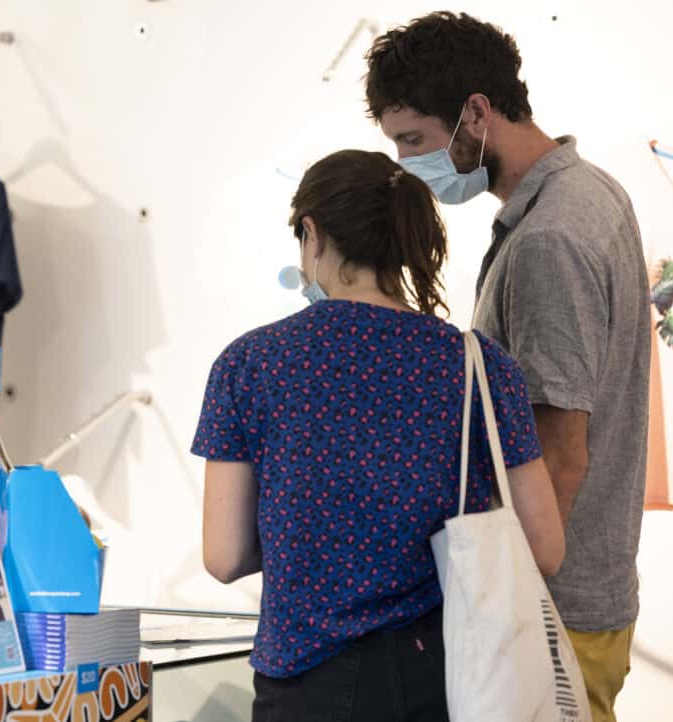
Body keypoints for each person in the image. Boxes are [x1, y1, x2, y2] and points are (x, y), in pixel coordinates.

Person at [193, 149, 564, 721]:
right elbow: (544, 547)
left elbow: (224, 556)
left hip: (306, 677)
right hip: (448, 676)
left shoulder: (249, 364)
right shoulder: (476, 364)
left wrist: (312, 534)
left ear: (311, 232)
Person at [364, 13, 650, 721]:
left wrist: (497, 604)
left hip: (553, 612)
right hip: (583, 595)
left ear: (476, 114)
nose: (407, 165)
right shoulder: (587, 193)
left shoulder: (550, 239)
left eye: (413, 140)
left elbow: (558, 454)